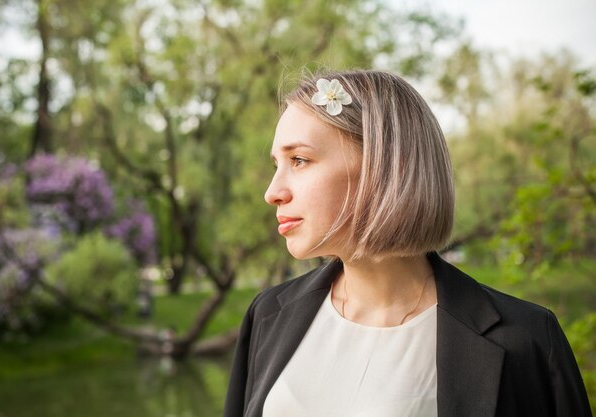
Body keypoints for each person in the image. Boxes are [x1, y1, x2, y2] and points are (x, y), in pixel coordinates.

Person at [223, 70, 592, 417]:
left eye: (299, 160)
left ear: (384, 167)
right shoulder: (267, 314)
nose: (273, 192)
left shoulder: (525, 340)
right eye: (277, 164)